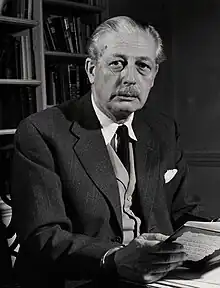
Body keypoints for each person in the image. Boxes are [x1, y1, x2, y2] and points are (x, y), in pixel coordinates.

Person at [11, 16, 215, 288]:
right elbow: (43, 236)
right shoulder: (40, 131)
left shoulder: (163, 129)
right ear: (91, 70)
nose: (130, 78)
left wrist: (212, 231)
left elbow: (183, 211)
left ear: (153, 76)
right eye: (117, 63)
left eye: (143, 66)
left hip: (161, 279)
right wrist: (114, 258)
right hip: (80, 279)